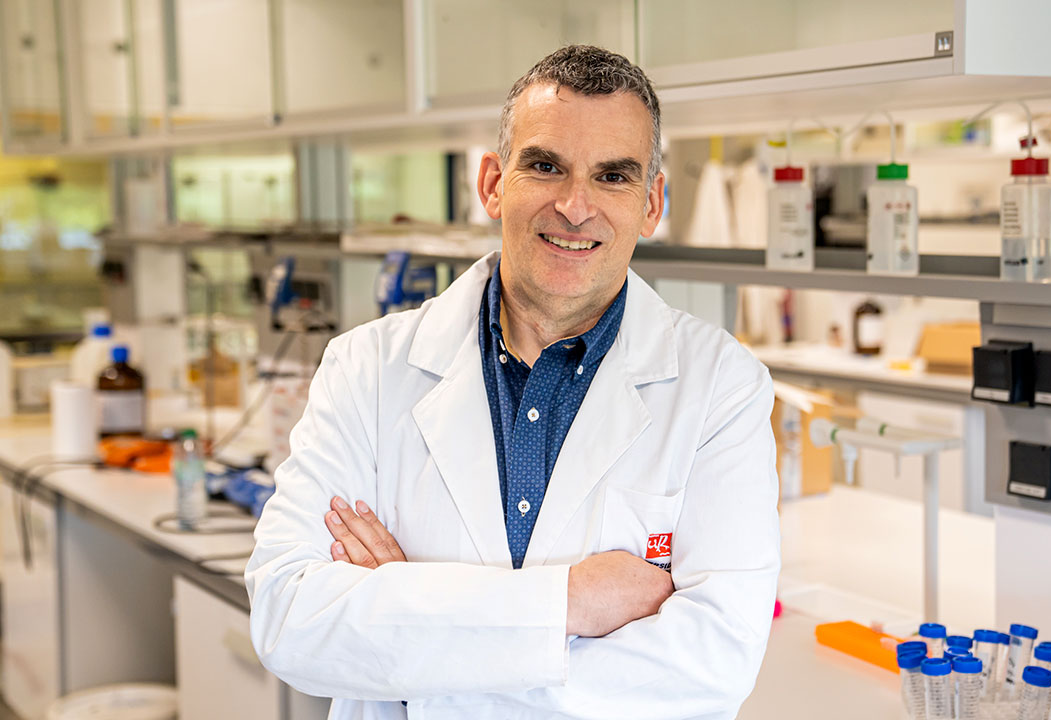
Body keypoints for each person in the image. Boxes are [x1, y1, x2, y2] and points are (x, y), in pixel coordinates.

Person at [247, 45, 781, 719]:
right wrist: (570, 604)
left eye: (613, 176)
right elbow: (289, 618)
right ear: (494, 184)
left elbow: (713, 663)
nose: (575, 205)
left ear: (652, 204)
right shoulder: (366, 369)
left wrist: (414, 640)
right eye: (545, 165)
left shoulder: (720, 387)